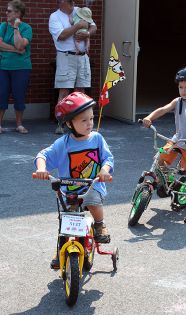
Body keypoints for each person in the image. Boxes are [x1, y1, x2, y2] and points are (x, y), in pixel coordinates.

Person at [34, 92, 114, 268]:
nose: (90, 124)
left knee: (93, 202)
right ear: (69, 123)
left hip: (92, 185)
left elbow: (108, 159)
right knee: (65, 219)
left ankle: (99, 224)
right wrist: (41, 168)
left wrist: (104, 170)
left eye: (91, 119)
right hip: (68, 189)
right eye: (84, 120)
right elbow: (43, 155)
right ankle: (60, 249)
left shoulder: (97, 139)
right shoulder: (63, 143)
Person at [143, 68, 186, 224]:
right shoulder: (178, 101)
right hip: (177, 140)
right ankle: (166, 180)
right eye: (181, 87)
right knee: (160, 158)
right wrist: (149, 117)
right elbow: (163, 109)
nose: (183, 90)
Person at [49, 0, 97, 134]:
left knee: (81, 91)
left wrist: (87, 33)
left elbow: (93, 26)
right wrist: (79, 26)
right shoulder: (54, 16)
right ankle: (60, 124)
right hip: (65, 56)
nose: (72, 3)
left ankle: (80, 123)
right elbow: (62, 36)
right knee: (64, 91)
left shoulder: (79, 11)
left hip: (83, 57)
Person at [0, 0, 32, 134]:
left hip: (21, 67)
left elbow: (20, 45)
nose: (6, 12)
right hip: (3, 67)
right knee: (1, 95)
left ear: (18, 13)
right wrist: (16, 51)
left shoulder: (26, 28)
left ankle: (19, 124)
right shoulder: (2, 26)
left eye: (9, 10)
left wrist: (16, 28)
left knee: (19, 96)